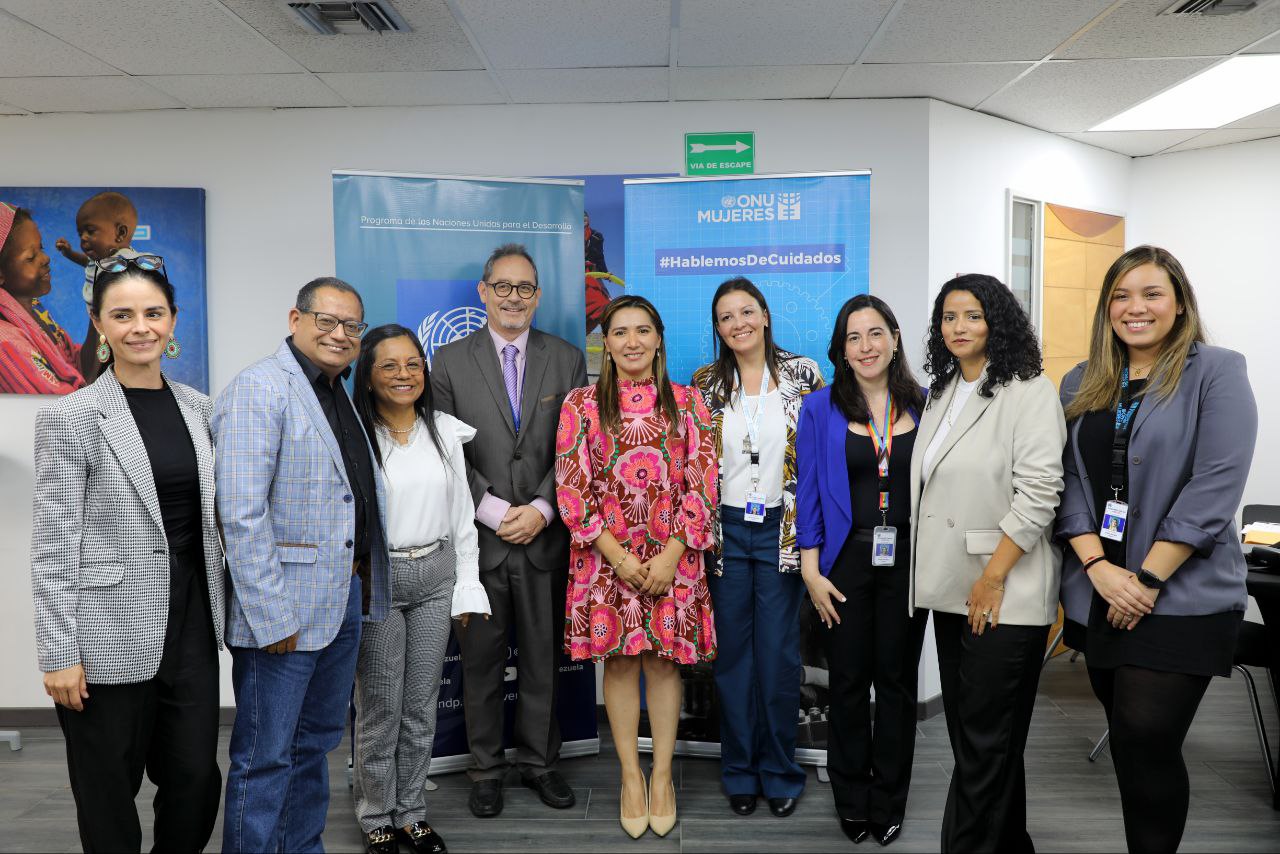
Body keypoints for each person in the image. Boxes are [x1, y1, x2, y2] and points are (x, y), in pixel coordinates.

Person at [1056, 246, 1257, 853]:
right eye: (1121, 295)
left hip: (1181, 594)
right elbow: (1066, 481)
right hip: (1098, 592)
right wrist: (1097, 568)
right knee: (1128, 738)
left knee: (1147, 736)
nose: (1135, 307)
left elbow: (1217, 482)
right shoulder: (1080, 379)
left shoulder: (1216, 370)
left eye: (1151, 293)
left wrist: (1142, 581)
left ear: (1179, 303)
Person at [30, 254, 224, 852]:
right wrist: (58, 653)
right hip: (105, 628)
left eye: (153, 313)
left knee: (194, 775)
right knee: (106, 786)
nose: (141, 327)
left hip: (191, 618)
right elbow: (53, 542)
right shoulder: (71, 416)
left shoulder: (201, 409)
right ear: (99, 324)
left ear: (172, 320)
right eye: (123, 315)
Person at [214, 277, 391, 854]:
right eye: (328, 322)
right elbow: (240, 514)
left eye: (351, 326)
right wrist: (270, 614)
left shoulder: (338, 390)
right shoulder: (260, 388)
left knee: (314, 745)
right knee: (265, 756)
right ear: (296, 318)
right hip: (283, 612)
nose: (340, 335)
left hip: (341, 600)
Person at [430, 243, 587, 818]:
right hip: (480, 541)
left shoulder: (567, 358)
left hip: (547, 536)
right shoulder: (446, 362)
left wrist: (543, 508)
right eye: (503, 286)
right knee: (480, 664)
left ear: (538, 295)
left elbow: (576, 446)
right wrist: (495, 512)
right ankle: (486, 769)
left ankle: (541, 765)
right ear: (484, 291)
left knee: (545, 660)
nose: (514, 297)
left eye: (525, 288)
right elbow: (443, 451)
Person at [911, 274, 1066, 853]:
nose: (958, 327)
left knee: (984, 744)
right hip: (953, 590)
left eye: (972, 316)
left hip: (1001, 590)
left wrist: (993, 576)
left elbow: (1040, 494)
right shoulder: (944, 389)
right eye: (949, 317)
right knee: (984, 743)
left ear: (996, 322)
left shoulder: (1029, 391)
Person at [556, 295, 718, 838]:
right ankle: (630, 776)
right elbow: (572, 489)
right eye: (619, 331)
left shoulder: (688, 402)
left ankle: (665, 775)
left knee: (665, 665)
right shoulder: (580, 405)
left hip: (674, 558)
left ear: (658, 338)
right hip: (606, 561)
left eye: (642, 330)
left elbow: (703, 483)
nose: (631, 341)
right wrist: (621, 559)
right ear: (605, 341)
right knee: (622, 665)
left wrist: (671, 555)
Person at [349, 325, 491, 854]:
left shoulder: (445, 431)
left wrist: (467, 585)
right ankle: (375, 815)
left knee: (421, 705)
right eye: (389, 365)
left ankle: (411, 812)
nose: (404, 375)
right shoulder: (355, 434)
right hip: (379, 580)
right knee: (381, 706)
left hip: (437, 575)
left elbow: (462, 518)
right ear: (367, 375)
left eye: (413, 364)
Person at [796, 294, 929, 847]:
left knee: (896, 686)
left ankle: (888, 800)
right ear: (841, 349)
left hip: (910, 563)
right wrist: (809, 569)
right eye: (854, 337)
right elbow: (804, 492)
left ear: (895, 339)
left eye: (876, 333)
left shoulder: (929, 404)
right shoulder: (820, 407)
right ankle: (851, 800)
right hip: (845, 563)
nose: (866, 346)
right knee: (848, 684)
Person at [691, 277, 823, 819]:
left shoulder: (803, 375)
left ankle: (780, 771)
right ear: (718, 328)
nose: (739, 323)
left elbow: (817, 462)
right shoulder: (703, 385)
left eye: (747, 311)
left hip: (781, 531)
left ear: (765, 316)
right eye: (726, 317)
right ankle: (740, 770)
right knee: (734, 660)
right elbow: (695, 465)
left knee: (778, 656)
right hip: (725, 531)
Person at [54, 191, 141, 380]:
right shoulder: (101, 259)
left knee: (102, 360)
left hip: (112, 323)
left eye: (91, 231)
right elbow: (87, 263)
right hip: (97, 318)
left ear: (120, 233)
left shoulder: (126, 261)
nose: (83, 238)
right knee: (91, 356)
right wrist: (69, 253)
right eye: (80, 233)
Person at [0, 202, 85, 394]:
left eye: (41, 248)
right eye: (31, 257)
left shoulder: (35, 311)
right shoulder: (5, 343)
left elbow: (74, 364)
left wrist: (100, 306)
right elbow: (57, 401)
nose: (45, 259)